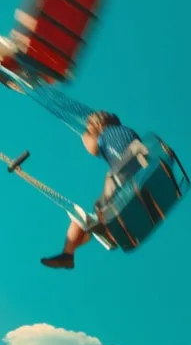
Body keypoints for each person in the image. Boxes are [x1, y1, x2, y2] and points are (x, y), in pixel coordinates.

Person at [41, 111, 147, 270]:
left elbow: (96, 149)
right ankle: (69, 254)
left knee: (89, 215)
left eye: (89, 130)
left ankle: (96, 232)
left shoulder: (108, 136)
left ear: (98, 128)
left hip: (128, 192)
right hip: (139, 195)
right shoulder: (128, 135)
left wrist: (87, 135)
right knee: (81, 221)